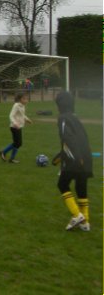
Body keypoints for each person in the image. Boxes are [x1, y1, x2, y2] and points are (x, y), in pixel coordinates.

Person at [53, 91, 93, 231]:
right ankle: (85, 222)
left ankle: (77, 215)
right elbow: (81, 140)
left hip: (75, 158)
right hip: (86, 157)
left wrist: (71, 157)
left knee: (62, 184)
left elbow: (68, 138)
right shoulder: (75, 118)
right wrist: (60, 155)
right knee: (81, 187)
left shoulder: (62, 118)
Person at [0, 93, 32, 163]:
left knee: (18, 143)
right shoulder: (16, 105)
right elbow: (11, 115)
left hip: (19, 127)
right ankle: (3, 152)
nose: (26, 100)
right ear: (20, 99)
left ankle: (11, 159)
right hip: (14, 127)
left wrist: (27, 119)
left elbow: (22, 115)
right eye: (24, 99)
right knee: (18, 143)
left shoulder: (22, 106)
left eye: (27, 99)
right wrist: (15, 123)